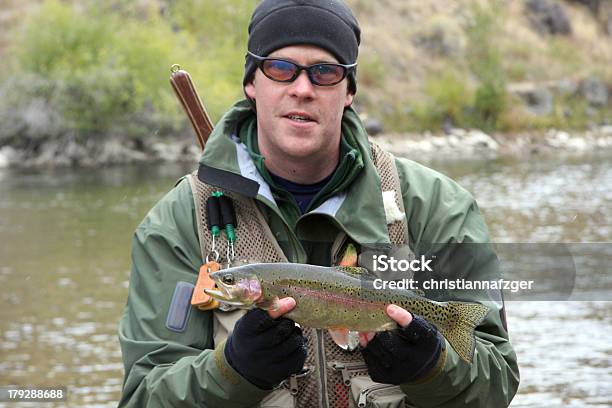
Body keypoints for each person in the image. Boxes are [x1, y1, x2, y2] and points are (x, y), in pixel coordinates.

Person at [118, 0, 520, 407]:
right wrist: (232, 372)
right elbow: (143, 396)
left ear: (349, 92)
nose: (302, 89)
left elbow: (496, 383)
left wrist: (433, 366)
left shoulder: (436, 207)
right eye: (280, 69)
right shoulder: (178, 222)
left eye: (325, 72)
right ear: (251, 83)